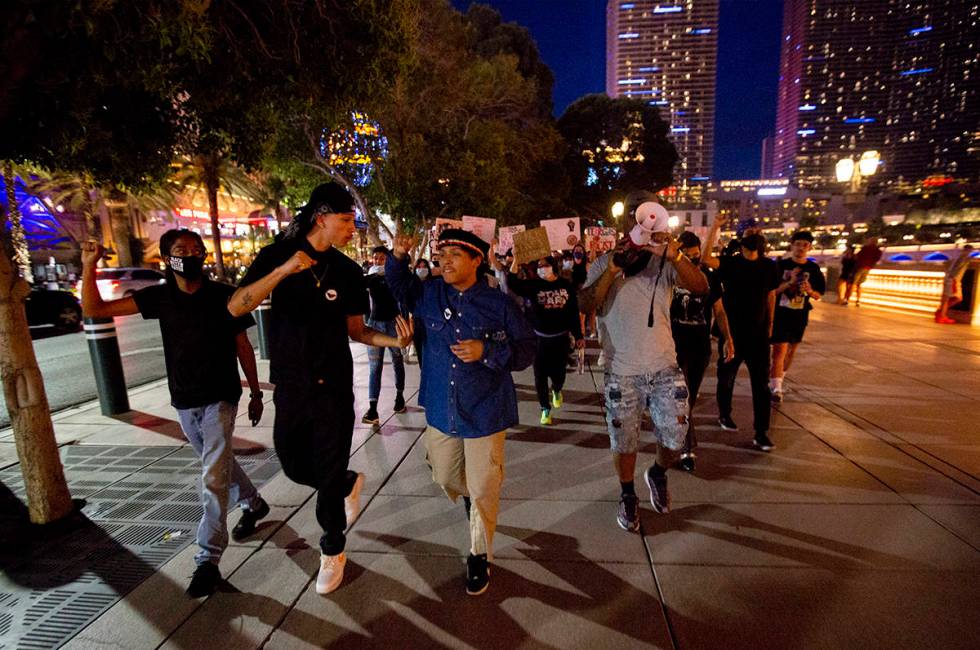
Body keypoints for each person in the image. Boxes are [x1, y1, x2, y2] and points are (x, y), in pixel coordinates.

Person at [228, 183, 412, 596]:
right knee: (293, 465)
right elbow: (236, 306)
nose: (352, 228)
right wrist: (280, 273)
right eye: (346, 220)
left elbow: (357, 330)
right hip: (291, 385)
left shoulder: (347, 272)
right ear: (321, 217)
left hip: (333, 387)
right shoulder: (275, 255)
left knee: (325, 475)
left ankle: (333, 547)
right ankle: (344, 482)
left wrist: (394, 342)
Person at [81, 231, 269, 598]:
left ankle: (207, 560)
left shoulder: (223, 296)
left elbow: (242, 344)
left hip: (220, 398)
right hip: (184, 401)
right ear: (168, 258)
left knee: (213, 477)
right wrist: (88, 267)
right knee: (218, 461)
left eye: (197, 250)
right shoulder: (159, 297)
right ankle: (255, 503)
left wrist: (256, 392)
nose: (192, 255)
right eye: (182, 251)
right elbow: (95, 310)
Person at [386, 228, 535, 596]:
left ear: (476, 260)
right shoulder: (430, 293)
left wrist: (486, 350)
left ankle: (479, 555)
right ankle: (471, 498)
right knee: (446, 477)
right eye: (442, 253)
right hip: (441, 407)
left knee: (484, 486)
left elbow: (527, 350)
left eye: (455, 253)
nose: (445, 260)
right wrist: (398, 256)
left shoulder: (499, 304)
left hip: (486, 409)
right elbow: (399, 286)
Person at [579, 201, 708, 531]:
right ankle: (627, 493)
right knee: (624, 441)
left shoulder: (665, 262)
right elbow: (585, 303)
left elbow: (700, 288)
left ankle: (658, 472)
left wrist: (675, 253)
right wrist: (612, 268)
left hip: (665, 366)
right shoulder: (604, 262)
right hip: (621, 370)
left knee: (676, 438)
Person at [670, 231, 735, 472]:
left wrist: (728, 338)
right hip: (673, 346)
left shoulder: (710, 277)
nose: (694, 261)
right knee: (682, 398)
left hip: (700, 347)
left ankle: (677, 432)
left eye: (697, 257)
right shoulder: (671, 275)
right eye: (688, 257)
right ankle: (687, 449)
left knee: (690, 399)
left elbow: (719, 311)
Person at [497, 254, 584, 425]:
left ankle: (557, 389)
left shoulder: (565, 286)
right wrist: (516, 259)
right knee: (540, 375)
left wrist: (579, 335)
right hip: (539, 340)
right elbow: (512, 282)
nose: (541, 268)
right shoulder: (534, 285)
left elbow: (573, 313)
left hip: (560, 339)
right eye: (539, 265)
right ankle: (545, 408)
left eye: (544, 265)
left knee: (559, 373)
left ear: (553, 267)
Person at [713, 233, 781, 451]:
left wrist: (770, 325)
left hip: (758, 336)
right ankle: (725, 414)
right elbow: (706, 260)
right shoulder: (730, 264)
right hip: (732, 333)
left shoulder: (769, 267)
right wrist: (714, 227)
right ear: (741, 243)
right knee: (726, 378)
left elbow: (771, 295)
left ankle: (761, 432)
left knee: (761, 385)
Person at [769, 231, 826, 402]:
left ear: (809, 247)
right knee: (779, 350)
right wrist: (789, 282)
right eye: (798, 244)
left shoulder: (814, 269)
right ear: (792, 245)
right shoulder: (780, 265)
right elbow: (772, 291)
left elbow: (818, 295)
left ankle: (779, 378)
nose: (801, 248)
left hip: (800, 314)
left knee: (791, 351)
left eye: (805, 245)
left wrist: (809, 290)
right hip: (781, 313)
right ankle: (776, 388)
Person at [362, 246, 407, 424]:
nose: (378, 261)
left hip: (393, 324)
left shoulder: (394, 278)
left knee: (397, 361)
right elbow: (360, 284)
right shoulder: (371, 279)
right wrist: (374, 275)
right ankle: (373, 409)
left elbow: (401, 293)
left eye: (382, 258)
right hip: (375, 325)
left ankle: (399, 396)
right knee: (375, 367)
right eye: (376, 258)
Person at [936, 245, 974, 323]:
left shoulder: (959, 256)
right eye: (970, 250)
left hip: (951, 279)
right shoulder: (963, 257)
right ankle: (941, 316)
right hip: (953, 279)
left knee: (948, 299)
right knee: (953, 298)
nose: (970, 252)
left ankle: (940, 313)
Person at [844, 237, 883, 306]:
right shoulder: (878, 251)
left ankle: (847, 300)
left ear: (871, 242)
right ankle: (858, 301)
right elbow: (876, 260)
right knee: (859, 285)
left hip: (860, 267)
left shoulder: (866, 248)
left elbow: (857, 256)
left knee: (853, 284)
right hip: (867, 269)